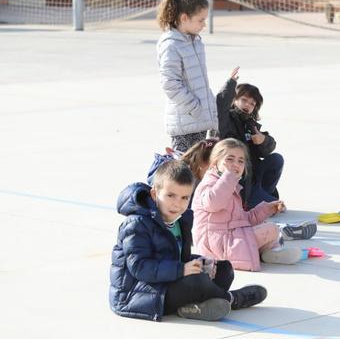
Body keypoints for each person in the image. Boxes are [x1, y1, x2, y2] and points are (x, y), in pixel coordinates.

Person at [110, 160, 267, 322]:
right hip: (136, 294)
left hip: (163, 282)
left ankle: (194, 307)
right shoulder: (136, 224)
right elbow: (140, 267)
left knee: (223, 270)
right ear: (155, 194)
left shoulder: (178, 220)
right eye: (171, 195)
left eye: (184, 197)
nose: (177, 203)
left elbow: (175, 257)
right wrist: (182, 270)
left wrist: (199, 262)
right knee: (197, 282)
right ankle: (232, 299)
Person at [193, 139, 310, 271]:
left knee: (271, 229)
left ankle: (271, 252)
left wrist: (267, 209)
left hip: (229, 238)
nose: (235, 164)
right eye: (230, 159)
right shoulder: (210, 184)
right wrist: (229, 177)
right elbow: (213, 203)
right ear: (215, 163)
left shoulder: (231, 186)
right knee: (270, 229)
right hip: (216, 245)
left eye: (240, 161)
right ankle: (268, 251)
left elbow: (243, 220)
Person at [156, 0, 217, 153]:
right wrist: (194, 107)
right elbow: (170, 83)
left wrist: (210, 110)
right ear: (184, 18)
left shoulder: (195, 41)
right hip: (185, 123)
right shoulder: (171, 45)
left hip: (199, 121)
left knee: (199, 173)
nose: (204, 25)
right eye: (201, 20)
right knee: (185, 172)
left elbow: (200, 82)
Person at [217, 67, 285, 208]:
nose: (248, 105)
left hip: (253, 178)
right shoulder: (225, 119)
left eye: (252, 104)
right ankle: (255, 201)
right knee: (276, 206)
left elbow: (268, 148)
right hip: (238, 178)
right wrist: (230, 84)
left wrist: (262, 140)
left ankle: (261, 196)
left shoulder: (250, 124)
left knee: (276, 159)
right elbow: (221, 104)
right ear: (234, 100)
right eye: (244, 100)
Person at [147, 139, 218, 206]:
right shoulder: (173, 175)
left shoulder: (197, 179)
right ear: (201, 162)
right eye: (215, 167)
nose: (218, 173)